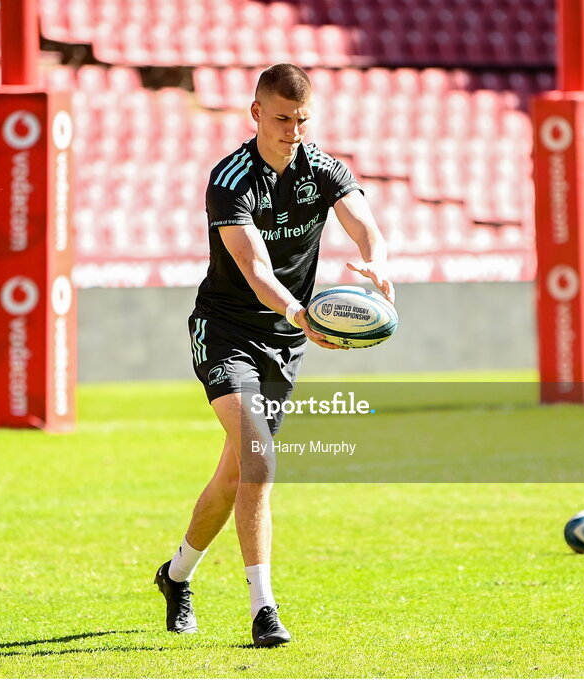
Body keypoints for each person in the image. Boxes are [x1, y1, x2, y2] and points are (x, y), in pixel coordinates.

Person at [154, 63, 395, 648]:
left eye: (303, 119)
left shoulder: (322, 167)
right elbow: (257, 270)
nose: (294, 131)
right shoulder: (230, 179)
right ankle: (264, 610)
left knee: (236, 471)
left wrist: (378, 262)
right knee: (258, 460)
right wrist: (301, 314)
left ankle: (176, 575)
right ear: (256, 113)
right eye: (283, 119)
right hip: (227, 331)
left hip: (284, 344)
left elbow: (365, 225)